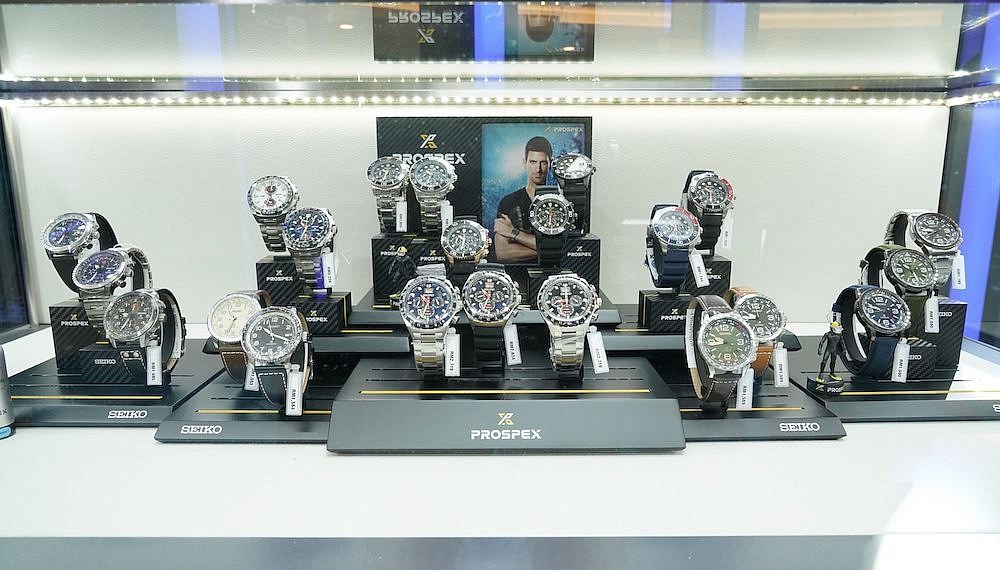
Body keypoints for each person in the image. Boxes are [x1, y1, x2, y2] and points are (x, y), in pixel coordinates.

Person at [494, 136, 552, 262]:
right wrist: (551, 249)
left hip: (552, 270)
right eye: (533, 162)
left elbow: (568, 246)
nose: (538, 169)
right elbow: (503, 252)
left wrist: (513, 233)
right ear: (524, 163)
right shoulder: (508, 202)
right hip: (518, 271)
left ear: (550, 164)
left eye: (543, 163)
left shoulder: (560, 203)